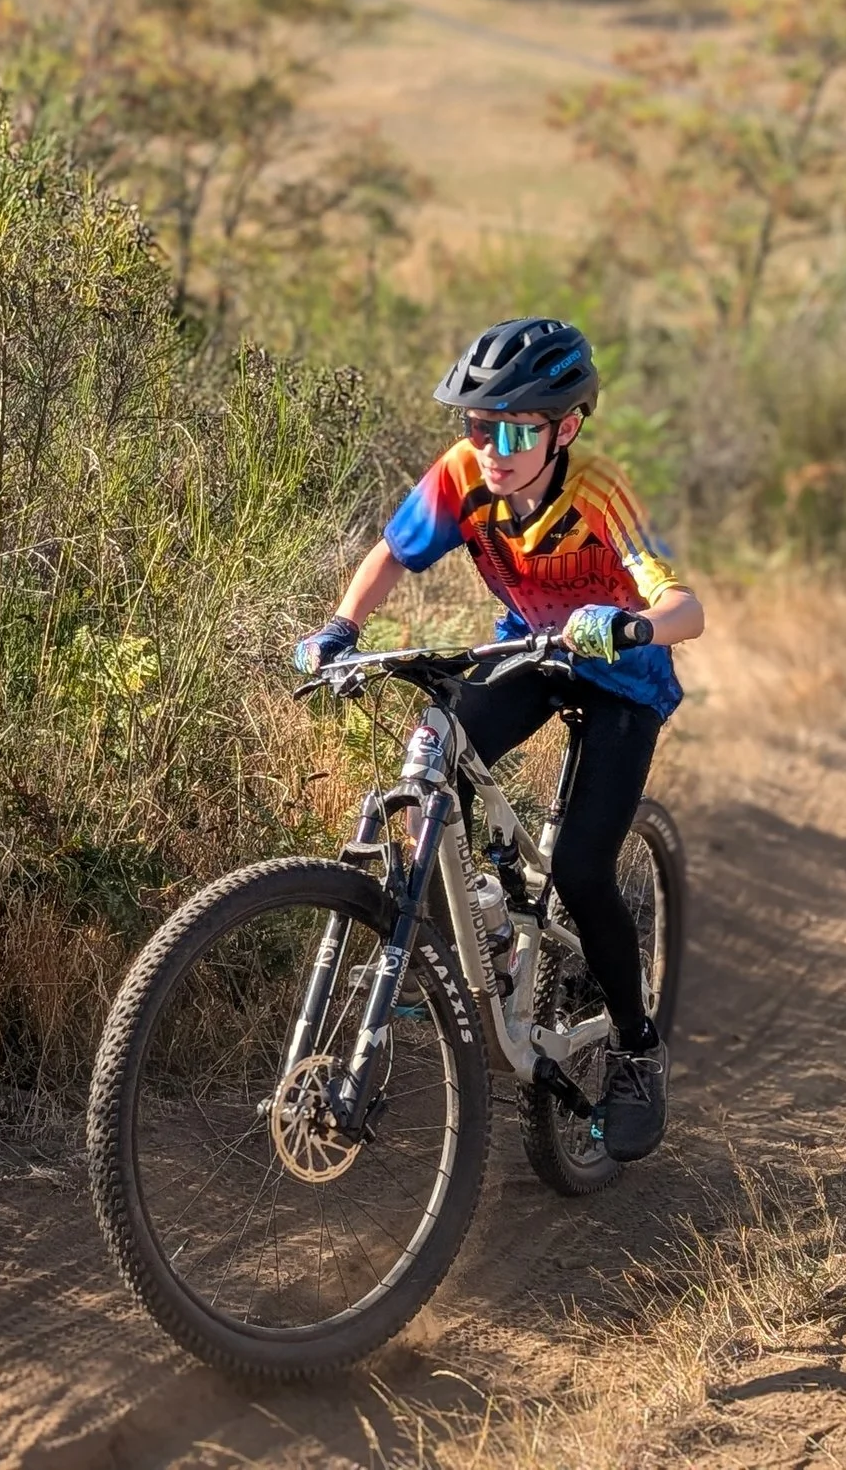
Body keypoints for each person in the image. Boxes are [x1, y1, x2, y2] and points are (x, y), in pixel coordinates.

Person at [291, 318, 705, 1162]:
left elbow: (687, 608)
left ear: (567, 429)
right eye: (480, 427)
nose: (494, 447)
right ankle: (488, 923)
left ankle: (635, 1047)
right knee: (435, 739)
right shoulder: (461, 476)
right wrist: (341, 626)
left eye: (517, 430)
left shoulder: (598, 490)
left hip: (623, 680)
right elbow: (391, 554)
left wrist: (630, 628)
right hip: (534, 652)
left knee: (586, 870)